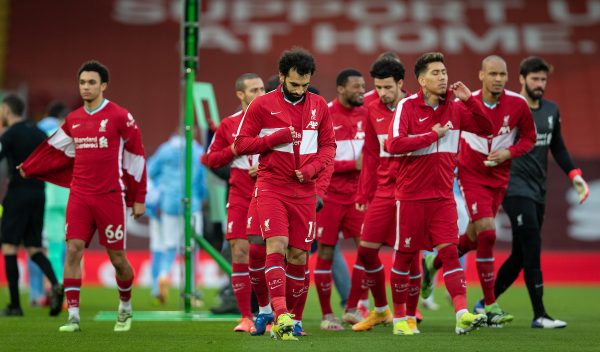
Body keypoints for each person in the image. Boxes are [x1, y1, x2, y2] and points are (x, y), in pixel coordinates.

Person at [19, 60, 147, 333]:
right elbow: (53, 149)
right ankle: (73, 316)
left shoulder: (120, 116)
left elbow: (136, 156)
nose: (86, 87)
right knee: (73, 250)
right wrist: (29, 167)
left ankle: (125, 305)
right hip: (79, 195)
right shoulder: (74, 120)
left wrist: (139, 197)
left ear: (103, 86)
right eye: (82, 83)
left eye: (91, 82)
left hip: (110, 195)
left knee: (117, 259)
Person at [422, 55, 537, 327]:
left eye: (502, 74)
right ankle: (490, 304)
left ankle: (432, 265)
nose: (498, 79)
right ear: (482, 75)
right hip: (472, 175)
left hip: (500, 177)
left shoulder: (518, 105)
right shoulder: (464, 103)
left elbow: (530, 138)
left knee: (474, 237)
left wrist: (509, 151)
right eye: (493, 74)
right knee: (487, 232)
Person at [233, 48, 336, 341]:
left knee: (299, 257)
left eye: (304, 85)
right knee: (275, 245)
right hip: (271, 187)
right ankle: (280, 314)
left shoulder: (319, 105)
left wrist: (313, 168)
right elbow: (240, 145)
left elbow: (329, 146)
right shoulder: (262, 105)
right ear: (281, 77)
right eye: (294, 85)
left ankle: (293, 317)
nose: (299, 90)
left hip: (304, 191)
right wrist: (275, 138)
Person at [385, 52, 491, 335]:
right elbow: (393, 145)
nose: (442, 77)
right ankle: (400, 319)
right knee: (405, 257)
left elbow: (486, 128)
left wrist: (470, 100)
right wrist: (432, 135)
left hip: (443, 198)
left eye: (444, 71)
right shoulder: (406, 106)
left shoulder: (455, 109)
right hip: (410, 197)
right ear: (421, 80)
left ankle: (462, 314)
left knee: (450, 252)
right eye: (435, 73)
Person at [479, 56, 589, 329]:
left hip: (539, 189)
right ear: (522, 79)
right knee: (533, 246)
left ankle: (483, 305)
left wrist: (575, 175)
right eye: (535, 79)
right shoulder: (513, 108)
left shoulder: (551, 109)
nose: (540, 84)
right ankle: (539, 314)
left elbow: (558, 147)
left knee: (520, 254)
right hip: (514, 186)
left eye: (543, 80)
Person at [345, 57, 415, 333]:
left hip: (412, 189)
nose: (382, 93)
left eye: (387, 87)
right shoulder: (371, 108)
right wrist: (364, 192)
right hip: (385, 191)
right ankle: (382, 309)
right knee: (366, 251)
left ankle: (409, 313)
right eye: (378, 87)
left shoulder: (417, 107)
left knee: (409, 254)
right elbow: (371, 155)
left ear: (401, 84)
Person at [201, 72, 265, 332]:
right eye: (254, 90)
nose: (261, 94)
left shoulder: (276, 122)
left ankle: (269, 314)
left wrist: (265, 168)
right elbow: (210, 159)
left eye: (263, 89)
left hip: (269, 192)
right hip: (239, 194)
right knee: (240, 252)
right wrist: (234, 151)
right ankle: (246, 317)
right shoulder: (228, 125)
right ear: (240, 94)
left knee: (267, 255)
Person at [313, 68, 367, 331]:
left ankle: (353, 308)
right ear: (341, 89)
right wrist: (352, 165)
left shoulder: (367, 113)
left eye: (363, 86)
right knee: (325, 253)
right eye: (356, 86)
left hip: (359, 196)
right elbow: (321, 159)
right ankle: (327, 315)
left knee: (367, 251)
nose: (361, 91)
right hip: (330, 196)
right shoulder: (326, 115)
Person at [0, 94, 63, 317]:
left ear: (7, 111)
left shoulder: (10, 135)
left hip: (18, 194)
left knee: (9, 247)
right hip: (39, 194)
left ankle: (15, 305)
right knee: (34, 248)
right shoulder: (38, 133)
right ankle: (55, 284)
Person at [147, 129, 206, 305]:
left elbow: (150, 171)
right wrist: (202, 198)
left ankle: (163, 276)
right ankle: (190, 289)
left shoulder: (165, 149)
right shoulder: (198, 152)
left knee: (169, 246)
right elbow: (202, 181)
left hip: (168, 204)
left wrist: (160, 190)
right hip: (191, 203)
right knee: (192, 248)